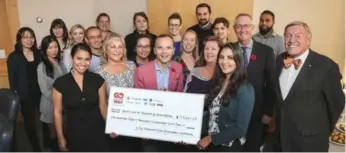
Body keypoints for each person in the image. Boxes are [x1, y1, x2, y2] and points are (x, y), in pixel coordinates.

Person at [274, 21, 345, 152]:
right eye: (288, 35)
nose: (291, 40)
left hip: (310, 142)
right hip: (280, 138)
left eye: (298, 36)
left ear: (308, 40)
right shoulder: (279, 60)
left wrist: (320, 132)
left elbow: (337, 103)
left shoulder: (326, 66)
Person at [197, 43, 255, 152]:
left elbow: (240, 129)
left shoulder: (245, 88)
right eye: (221, 57)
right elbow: (211, 114)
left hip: (229, 147)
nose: (224, 62)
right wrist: (191, 131)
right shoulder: (219, 82)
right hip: (212, 145)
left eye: (230, 58)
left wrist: (210, 139)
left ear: (238, 61)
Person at [52, 43, 109, 152]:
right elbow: (57, 112)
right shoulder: (60, 83)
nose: (83, 63)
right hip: (74, 131)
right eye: (79, 58)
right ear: (71, 58)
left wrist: (112, 127)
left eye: (87, 59)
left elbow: (103, 107)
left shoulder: (98, 80)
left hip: (97, 130)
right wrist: (60, 138)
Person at [233, 13, 276, 152]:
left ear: (252, 27)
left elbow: (271, 84)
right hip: (232, 110)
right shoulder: (229, 50)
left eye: (246, 26)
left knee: (252, 147)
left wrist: (268, 112)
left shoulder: (266, 52)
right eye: (238, 26)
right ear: (234, 29)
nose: (242, 29)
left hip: (256, 112)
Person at [134, 34, 184, 152]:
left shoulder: (178, 68)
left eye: (168, 47)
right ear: (155, 50)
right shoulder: (141, 71)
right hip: (150, 128)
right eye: (160, 48)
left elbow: (181, 96)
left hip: (171, 126)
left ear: (173, 50)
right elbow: (137, 102)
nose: (164, 52)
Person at [7, 27, 42, 152]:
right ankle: (35, 146)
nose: (29, 40)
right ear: (19, 39)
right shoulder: (13, 56)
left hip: (41, 92)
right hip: (25, 94)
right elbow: (12, 79)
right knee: (30, 122)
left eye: (31, 36)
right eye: (25, 37)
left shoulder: (39, 53)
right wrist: (16, 96)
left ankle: (47, 141)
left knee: (45, 118)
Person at [37, 35, 66, 151]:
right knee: (54, 136)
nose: (54, 50)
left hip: (63, 104)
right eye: (50, 48)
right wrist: (58, 102)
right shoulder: (42, 66)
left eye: (55, 47)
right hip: (50, 104)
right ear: (44, 50)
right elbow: (44, 89)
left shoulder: (60, 62)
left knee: (62, 133)